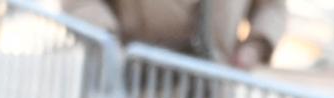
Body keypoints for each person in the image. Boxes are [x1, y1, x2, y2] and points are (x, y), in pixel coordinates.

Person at [60, 0, 286, 68]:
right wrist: (107, 39)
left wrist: (256, 46)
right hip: (132, 81)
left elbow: (272, 7)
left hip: (211, 91)